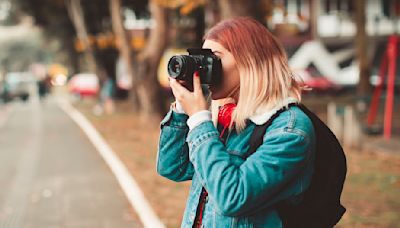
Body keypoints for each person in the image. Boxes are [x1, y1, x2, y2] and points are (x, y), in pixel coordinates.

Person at [157, 17, 315, 227]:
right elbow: (172, 167)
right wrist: (182, 107)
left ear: (250, 62)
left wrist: (198, 119)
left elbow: (233, 197)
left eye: (214, 58)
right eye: (203, 58)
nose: (204, 69)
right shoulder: (227, 117)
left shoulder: (289, 129)